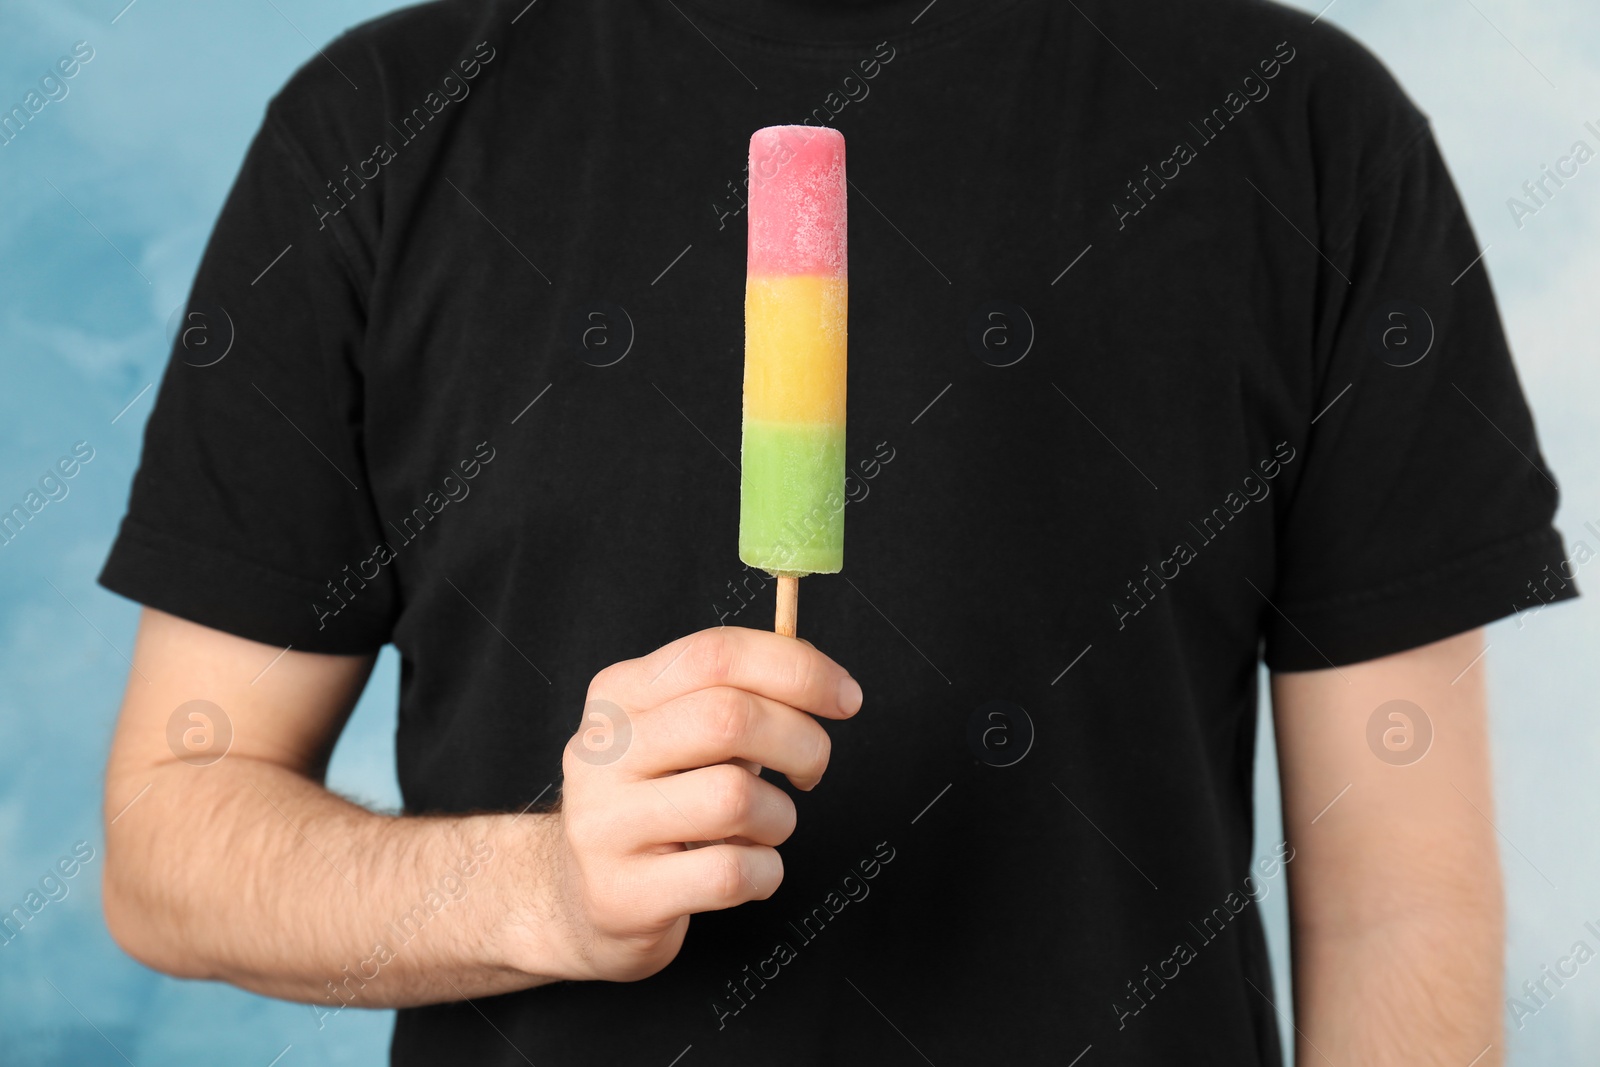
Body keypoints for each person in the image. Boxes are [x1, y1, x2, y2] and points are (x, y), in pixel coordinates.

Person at [97, 0, 1576, 1063]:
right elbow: (169, 846)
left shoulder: (1306, 126)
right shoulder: (374, 131)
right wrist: (535, 890)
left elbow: (1400, 903)